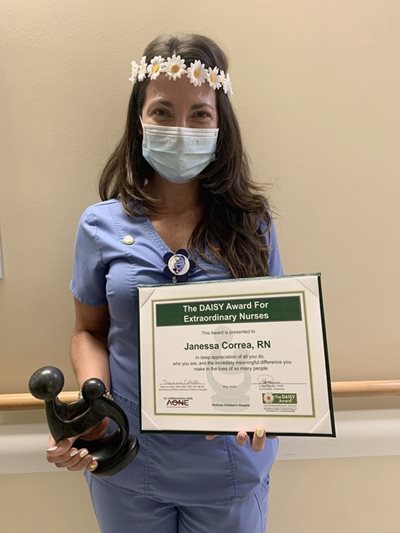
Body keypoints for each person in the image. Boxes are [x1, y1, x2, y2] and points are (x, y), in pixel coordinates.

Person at [46, 33, 283, 533]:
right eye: (162, 112)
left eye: (199, 113)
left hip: (229, 465)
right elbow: (88, 330)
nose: (181, 128)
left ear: (221, 123)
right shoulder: (99, 225)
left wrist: (271, 404)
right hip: (128, 460)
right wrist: (94, 406)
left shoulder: (252, 224)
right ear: (139, 120)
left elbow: (274, 336)